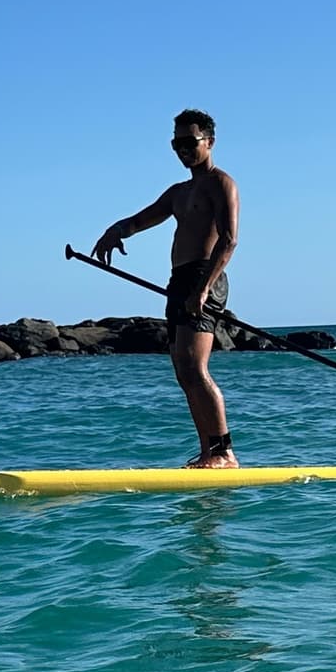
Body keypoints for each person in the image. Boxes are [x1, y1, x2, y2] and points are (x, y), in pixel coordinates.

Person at [92, 109, 241, 468]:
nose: (182, 150)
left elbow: (230, 241)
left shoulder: (221, 183)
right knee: (183, 371)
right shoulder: (178, 192)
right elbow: (143, 218)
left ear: (210, 142)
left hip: (205, 278)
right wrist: (117, 230)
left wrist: (203, 289)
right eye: (176, 144)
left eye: (189, 142)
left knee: (195, 366)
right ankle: (207, 451)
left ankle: (224, 453)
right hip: (179, 281)